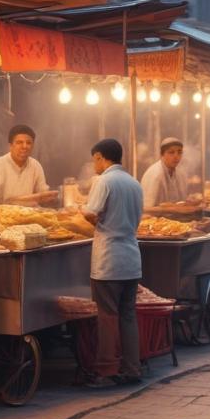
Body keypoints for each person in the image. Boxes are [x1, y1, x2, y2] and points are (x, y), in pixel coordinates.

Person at [81, 138, 144, 388]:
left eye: (94, 159)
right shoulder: (134, 183)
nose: (93, 164)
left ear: (100, 157)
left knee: (107, 316)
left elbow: (90, 213)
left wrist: (86, 217)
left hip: (108, 261)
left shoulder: (104, 181)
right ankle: (132, 368)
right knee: (127, 316)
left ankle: (106, 372)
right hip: (131, 258)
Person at [0, 125, 55, 205]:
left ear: (33, 146)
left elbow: (43, 193)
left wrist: (50, 196)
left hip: (31, 215)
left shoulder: (36, 165)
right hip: (4, 215)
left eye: (28, 143)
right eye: (19, 142)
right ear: (10, 146)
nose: (24, 146)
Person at [141, 137, 187, 210]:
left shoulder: (180, 174)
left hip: (174, 218)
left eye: (179, 152)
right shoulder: (155, 174)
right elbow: (146, 208)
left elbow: (181, 202)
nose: (176, 156)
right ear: (162, 154)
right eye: (171, 152)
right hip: (154, 219)